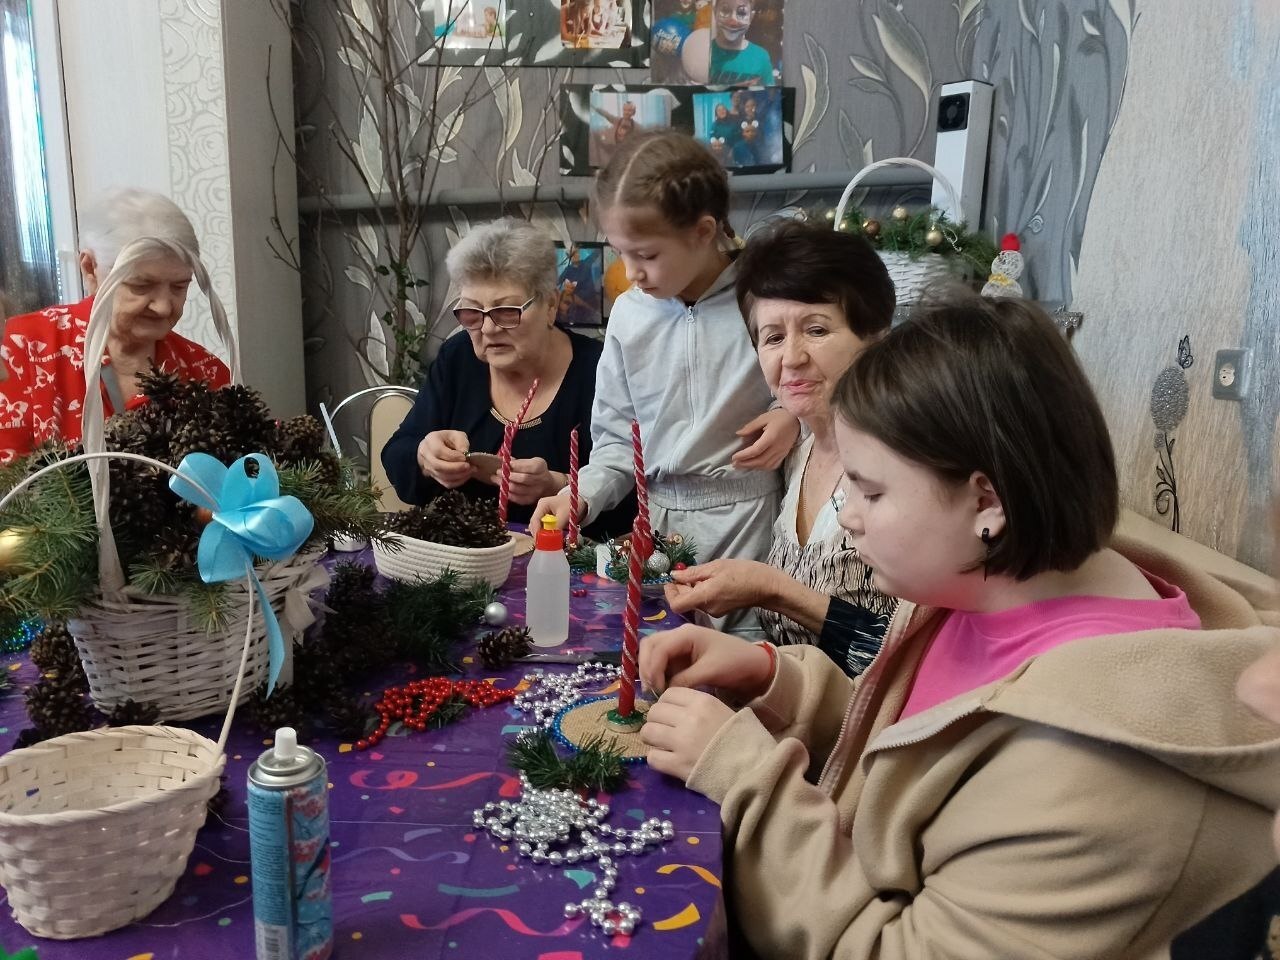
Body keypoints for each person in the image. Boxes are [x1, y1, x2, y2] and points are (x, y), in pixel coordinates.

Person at [638, 291, 1280, 958]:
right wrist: (780, 684)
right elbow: (918, 751)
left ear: (985, 500)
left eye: (871, 491)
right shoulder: (974, 589)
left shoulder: (1092, 774)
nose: (847, 514)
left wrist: (745, 777)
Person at [534, 131, 798, 636]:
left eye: (648, 255)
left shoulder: (767, 299)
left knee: (746, 670)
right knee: (659, 668)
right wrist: (582, 494)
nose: (631, 273)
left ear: (703, 231)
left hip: (752, 529)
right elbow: (614, 441)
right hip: (657, 535)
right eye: (621, 254)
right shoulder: (631, 315)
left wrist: (792, 418)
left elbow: (827, 393)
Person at [664, 219, 897, 676]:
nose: (791, 358)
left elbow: (913, 662)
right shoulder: (798, 450)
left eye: (816, 330)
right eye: (772, 338)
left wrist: (772, 589)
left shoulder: (905, 463)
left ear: (875, 336)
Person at [381, 218, 634, 537]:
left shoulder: (598, 371)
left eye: (506, 312)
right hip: (462, 565)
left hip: (566, 571)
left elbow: (635, 498)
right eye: (472, 313)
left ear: (550, 305)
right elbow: (396, 454)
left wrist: (559, 486)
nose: (487, 329)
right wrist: (424, 455)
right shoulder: (457, 359)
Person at [0, 187, 229, 465]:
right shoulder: (18, 350)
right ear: (90, 268)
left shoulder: (205, 373)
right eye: (141, 285)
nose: (164, 306)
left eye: (179, 287)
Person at [681, 0, 775, 86]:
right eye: (725, 11)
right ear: (715, 12)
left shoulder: (761, 57)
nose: (733, 21)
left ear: (751, 17)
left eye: (742, 13)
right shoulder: (700, 54)